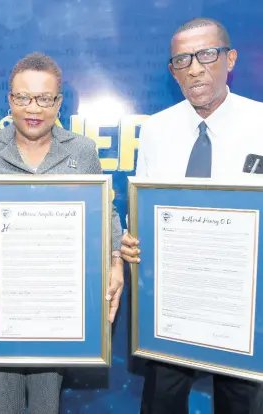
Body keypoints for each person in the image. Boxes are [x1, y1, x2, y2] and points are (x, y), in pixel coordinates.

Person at [0, 52, 125, 414]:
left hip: (56, 302)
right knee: (2, 405)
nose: (33, 108)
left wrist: (114, 259)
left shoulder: (83, 151)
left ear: (58, 102)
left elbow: (103, 209)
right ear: (9, 100)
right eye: (22, 97)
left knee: (47, 404)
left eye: (44, 98)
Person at [120, 17, 263, 414]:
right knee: (161, 401)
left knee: (243, 404)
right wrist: (133, 241)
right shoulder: (155, 130)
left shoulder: (262, 124)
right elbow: (143, 211)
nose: (195, 67)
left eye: (206, 54)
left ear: (230, 58)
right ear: (173, 71)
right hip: (172, 303)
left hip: (244, 307)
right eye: (182, 60)